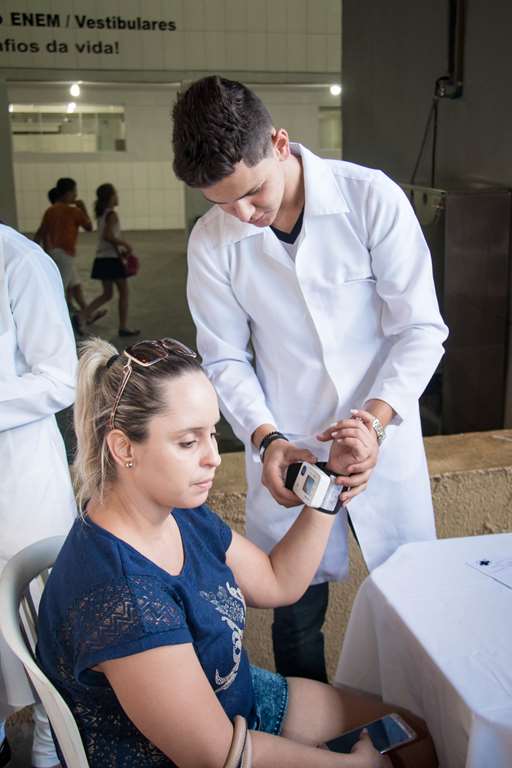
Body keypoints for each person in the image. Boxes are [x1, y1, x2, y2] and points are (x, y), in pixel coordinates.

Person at [36, 336, 436, 768]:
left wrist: (330, 483)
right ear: (124, 448)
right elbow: (216, 756)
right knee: (398, 754)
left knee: (412, 736)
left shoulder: (176, 512)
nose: (214, 458)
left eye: (212, 433)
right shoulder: (124, 597)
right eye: (188, 442)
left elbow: (276, 581)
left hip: (242, 701)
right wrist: (352, 766)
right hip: (212, 754)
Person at [172, 76, 449, 682]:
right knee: (295, 614)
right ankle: (313, 725)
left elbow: (420, 329)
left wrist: (374, 423)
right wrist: (267, 438)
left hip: (381, 435)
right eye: (222, 203)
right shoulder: (213, 241)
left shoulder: (368, 198)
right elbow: (223, 359)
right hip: (289, 442)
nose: (244, 215)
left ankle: (421, 719)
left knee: (415, 600)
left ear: (279, 143)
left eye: (253, 192)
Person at [0, 223, 77, 767]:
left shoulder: (18, 261)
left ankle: (52, 757)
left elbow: (60, 377)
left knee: (49, 644)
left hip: (21, 491)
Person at [35, 177, 103, 332]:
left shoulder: (50, 210)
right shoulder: (74, 211)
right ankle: (59, 323)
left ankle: (87, 314)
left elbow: (41, 232)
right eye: (74, 192)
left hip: (52, 252)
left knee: (76, 285)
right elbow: (89, 227)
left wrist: (36, 252)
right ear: (67, 193)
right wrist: (83, 207)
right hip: (65, 254)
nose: (75, 195)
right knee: (60, 290)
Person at [86, 183, 140, 337]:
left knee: (107, 294)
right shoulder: (112, 214)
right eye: (115, 194)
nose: (117, 197)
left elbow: (106, 237)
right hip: (111, 259)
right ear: (109, 197)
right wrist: (125, 244)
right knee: (124, 292)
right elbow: (108, 236)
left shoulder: (102, 214)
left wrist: (119, 250)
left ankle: (82, 316)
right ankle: (123, 327)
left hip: (102, 258)